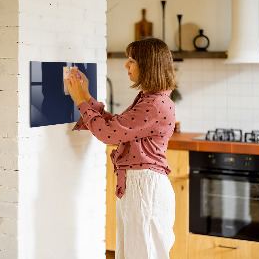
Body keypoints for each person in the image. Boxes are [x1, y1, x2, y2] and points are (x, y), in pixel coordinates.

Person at [65, 37, 177, 259]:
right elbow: (116, 126)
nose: (126, 65)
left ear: (148, 65)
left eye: (132, 60)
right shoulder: (150, 99)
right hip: (140, 186)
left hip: (145, 188)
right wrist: (86, 96)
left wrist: (80, 101)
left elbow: (108, 134)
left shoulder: (154, 104)